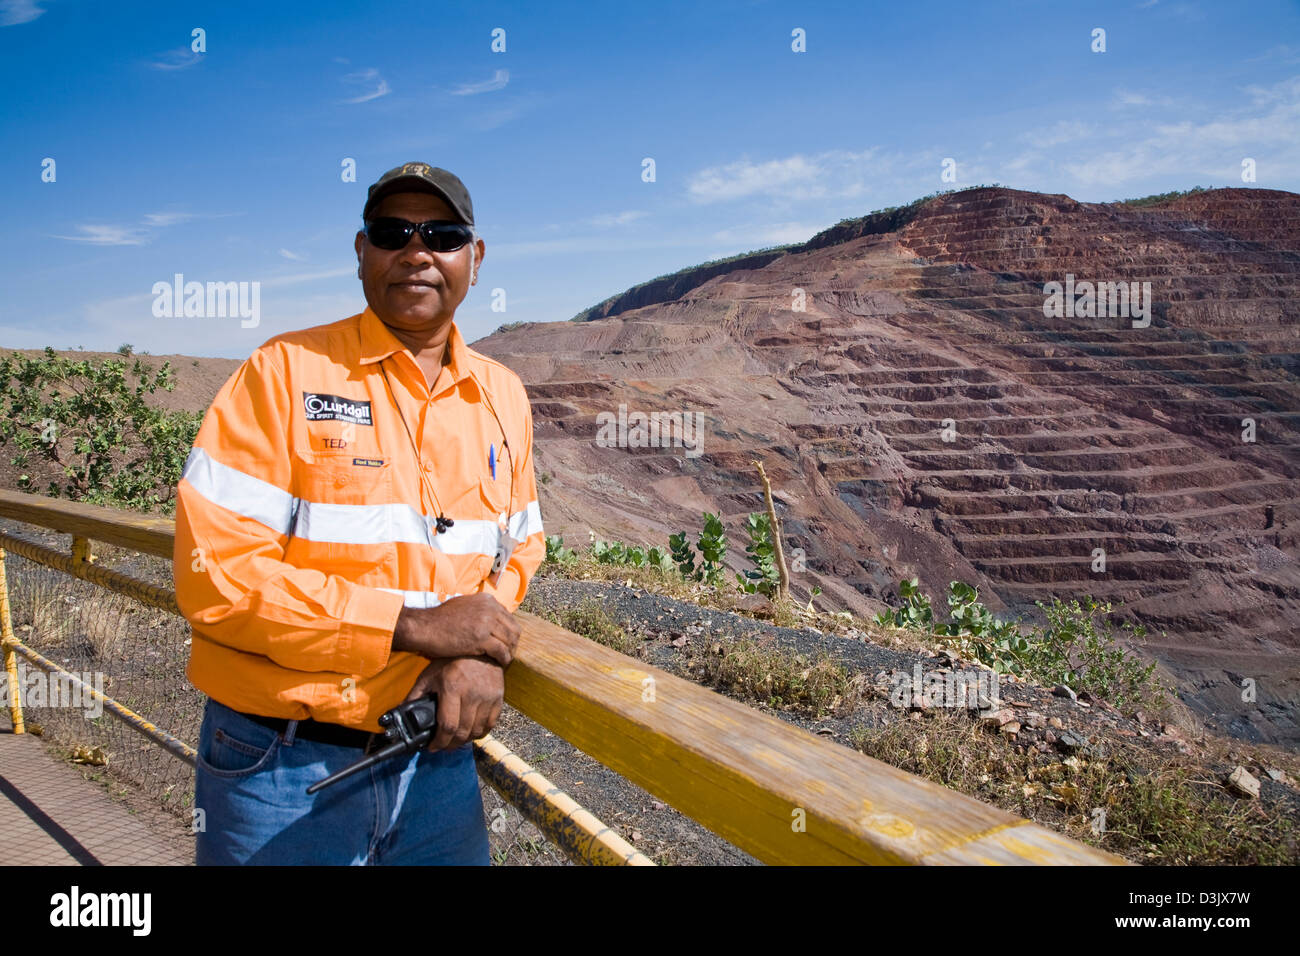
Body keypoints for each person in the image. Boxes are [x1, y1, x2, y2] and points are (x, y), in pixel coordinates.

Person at [173, 162, 544, 865]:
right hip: (278, 764)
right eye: (392, 232)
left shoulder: (503, 395)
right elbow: (214, 575)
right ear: (361, 249)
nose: (416, 250)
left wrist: (477, 642)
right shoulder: (280, 373)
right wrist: (414, 627)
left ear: (475, 256)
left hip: (435, 766)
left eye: (442, 233)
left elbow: (520, 545)